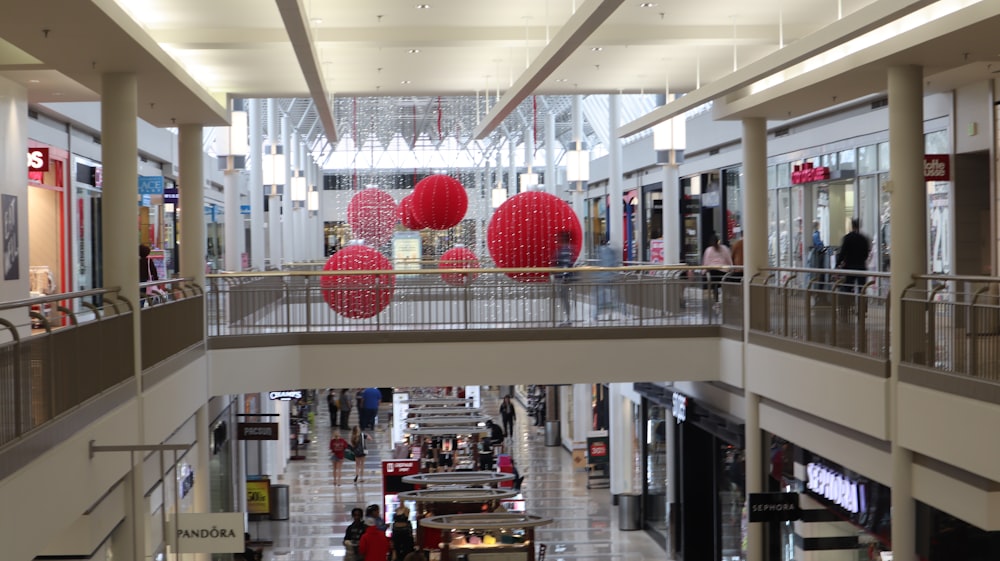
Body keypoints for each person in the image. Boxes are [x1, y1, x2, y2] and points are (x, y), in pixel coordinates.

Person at [836, 218, 872, 316]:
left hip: (849, 267)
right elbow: (866, 253)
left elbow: (842, 253)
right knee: (862, 290)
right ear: (859, 226)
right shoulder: (864, 238)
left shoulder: (847, 238)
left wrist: (837, 265)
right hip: (861, 267)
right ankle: (861, 311)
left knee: (847, 288)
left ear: (852, 226)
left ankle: (846, 309)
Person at [552, 230, 576, 326]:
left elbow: (566, 264)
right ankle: (567, 318)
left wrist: (564, 277)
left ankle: (568, 318)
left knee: (565, 298)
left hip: (563, 279)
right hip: (562, 278)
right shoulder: (566, 249)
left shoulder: (565, 250)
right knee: (564, 298)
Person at [592, 241, 620, 321]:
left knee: (599, 297)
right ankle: (623, 313)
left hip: (602, 278)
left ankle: (595, 315)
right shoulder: (611, 251)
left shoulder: (599, 251)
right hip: (610, 277)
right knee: (614, 297)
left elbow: (598, 264)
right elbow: (614, 263)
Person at [701, 233, 733, 303]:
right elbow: (729, 259)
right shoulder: (724, 249)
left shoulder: (709, 250)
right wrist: (731, 268)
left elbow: (706, 262)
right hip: (723, 271)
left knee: (715, 284)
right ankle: (723, 299)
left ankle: (717, 300)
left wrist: (704, 271)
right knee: (722, 283)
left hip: (713, 271)